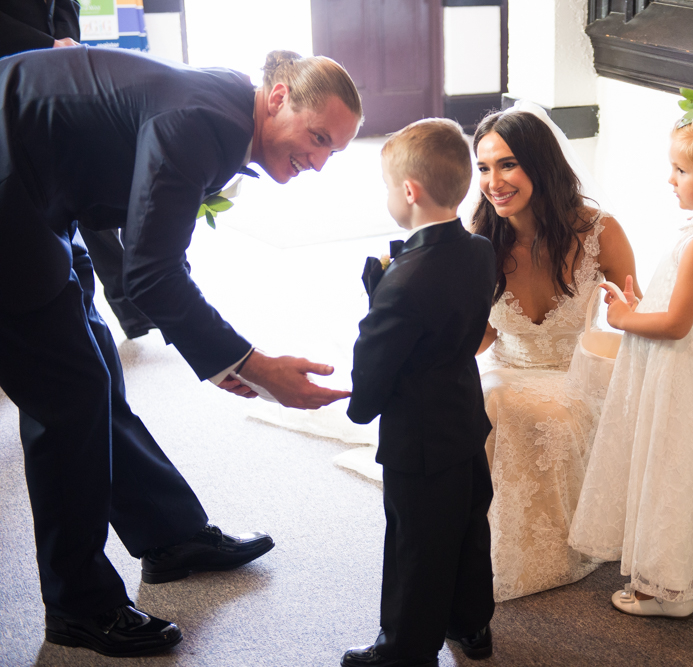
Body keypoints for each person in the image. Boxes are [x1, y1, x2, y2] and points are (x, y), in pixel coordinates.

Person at [0, 46, 359, 656]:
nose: (321, 161)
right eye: (318, 137)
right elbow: (151, 272)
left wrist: (222, 357)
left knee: (97, 370)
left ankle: (169, 536)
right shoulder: (205, 122)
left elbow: (153, 237)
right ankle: (79, 606)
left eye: (335, 150)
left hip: (45, 190)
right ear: (277, 99)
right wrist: (252, 363)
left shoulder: (229, 106)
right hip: (11, 195)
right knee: (70, 401)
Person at [568, 85, 693, 618]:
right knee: (685, 469)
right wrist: (641, 303)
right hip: (692, 370)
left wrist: (622, 318)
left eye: (680, 171)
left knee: (670, 471)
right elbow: (689, 307)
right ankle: (687, 572)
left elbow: (679, 324)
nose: (671, 179)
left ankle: (663, 590)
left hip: (683, 372)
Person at [470, 107, 645, 602]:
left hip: (580, 376)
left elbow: (638, 314)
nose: (493, 181)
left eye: (507, 165)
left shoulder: (599, 232)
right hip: (506, 369)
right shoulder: (481, 235)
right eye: (483, 168)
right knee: (487, 400)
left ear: (540, 164)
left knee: (555, 415)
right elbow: (480, 335)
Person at [343, 118, 496, 667]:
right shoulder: (480, 252)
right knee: (467, 526)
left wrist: (377, 299)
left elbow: (374, 371)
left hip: (419, 440)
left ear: (409, 191)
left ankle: (405, 649)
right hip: (463, 421)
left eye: (389, 186)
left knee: (416, 542)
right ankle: (471, 624)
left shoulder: (403, 283)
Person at [0, 0, 158, 339]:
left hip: (47, 83)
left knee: (80, 200)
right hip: (8, 86)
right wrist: (46, 47)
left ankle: (124, 306)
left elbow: (65, 3)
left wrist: (61, 48)